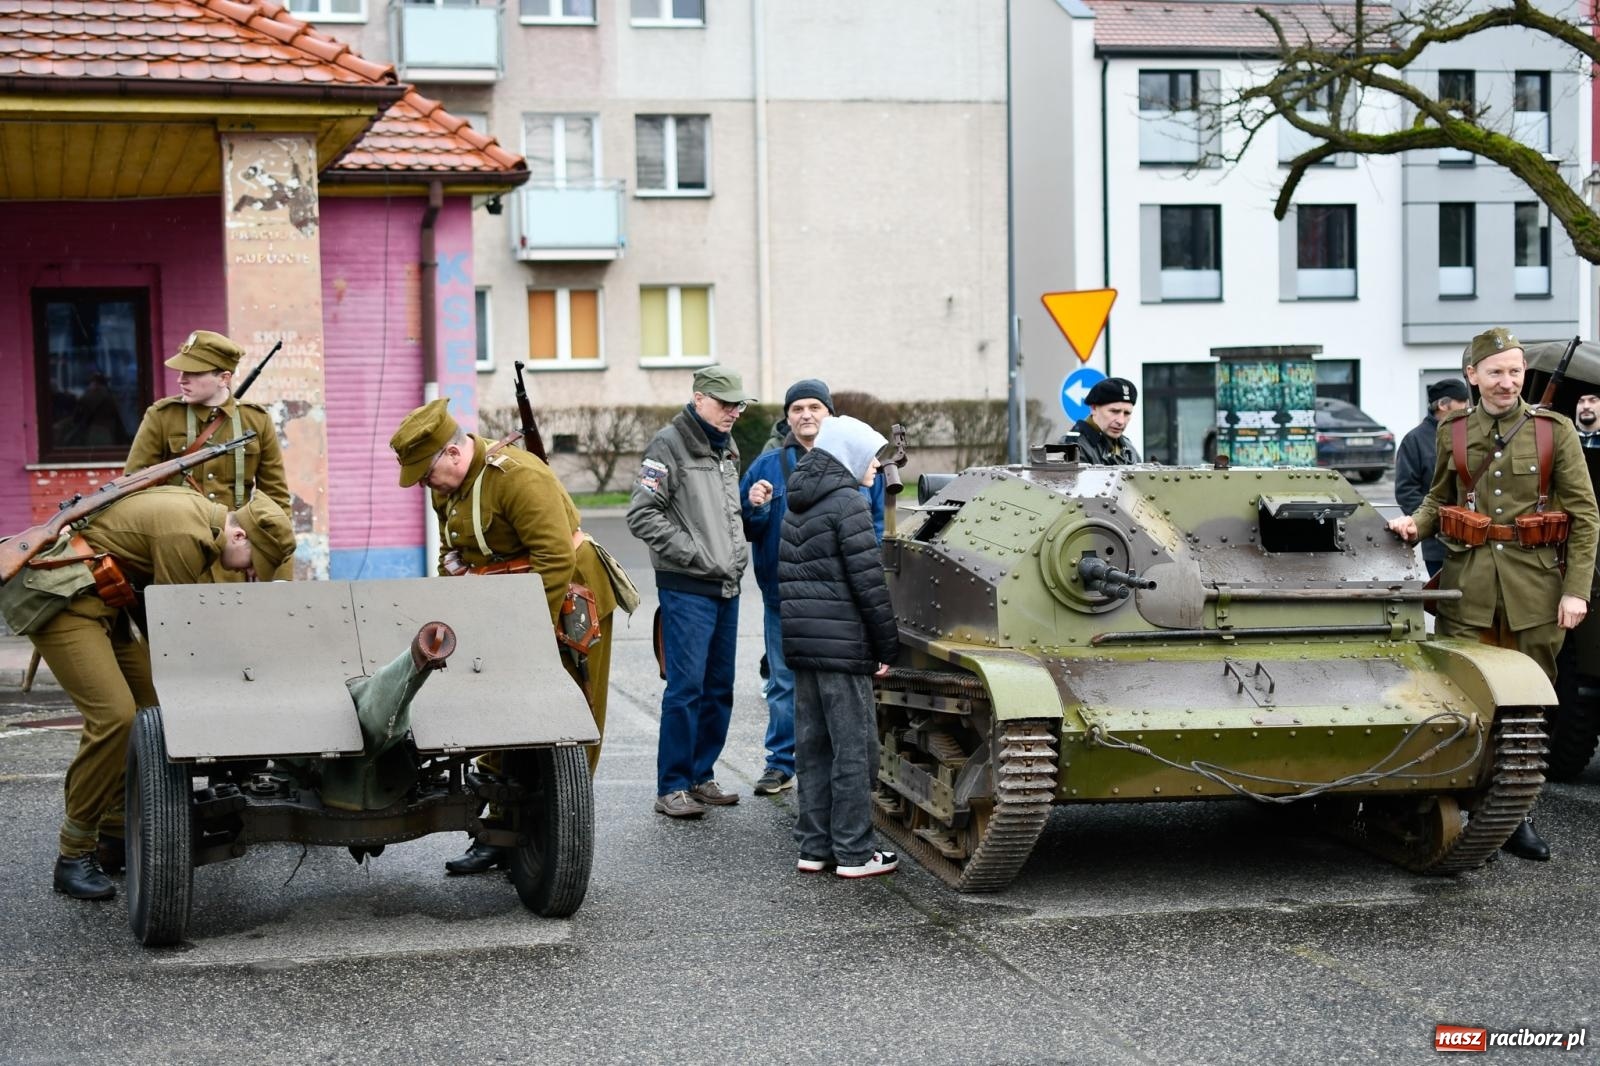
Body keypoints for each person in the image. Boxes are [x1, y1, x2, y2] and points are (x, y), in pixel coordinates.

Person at [0, 488, 296, 901]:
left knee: (153, 710)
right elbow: (172, 634)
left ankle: (116, 834)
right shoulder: (187, 536)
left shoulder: (201, 520)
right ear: (241, 537)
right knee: (116, 719)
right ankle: (73, 853)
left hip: (106, 600)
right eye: (254, 564)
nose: (251, 572)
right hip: (64, 603)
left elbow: (155, 610)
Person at [1387, 327, 1599, 862]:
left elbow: (1585, 516)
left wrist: (1575, 592)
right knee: (1472, 701)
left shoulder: (1554, 432)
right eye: (1497, 372)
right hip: (1471, 586)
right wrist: (1415, 525)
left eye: (1516, 371)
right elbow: (1440, 497)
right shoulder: (1453, 431)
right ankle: (1473, 802)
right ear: (1472, 375)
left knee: (1527, 706)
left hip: (1535, 591)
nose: (1508, 382)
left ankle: (1516, 812)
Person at [389, 398, 619, 875]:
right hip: (501, 600)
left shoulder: (518, 476)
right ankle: (500, 833)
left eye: (426, 472)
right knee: (497, 707)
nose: (424, 484)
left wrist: (523, 629)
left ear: (453, 454)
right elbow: (452, 556)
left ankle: (557, 833)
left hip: (570, 596)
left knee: (573, 715)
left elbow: (555, 559)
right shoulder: (445, 487)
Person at [741, 378, 885, 796]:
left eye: (814, 408)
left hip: (839, 600)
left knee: (840, 689)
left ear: (829, 414)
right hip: (782, 597)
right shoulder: (767, 466)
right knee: (785, 683)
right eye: (797, 409)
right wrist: (756, 507)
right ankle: (781, 764)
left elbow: (873, 527)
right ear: (787, 418)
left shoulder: (856, 460)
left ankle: (835, 770)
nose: (806, 415)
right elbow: (750, 528)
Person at [627, 365, 754, 819]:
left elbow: (722, 512)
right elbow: (642, 515)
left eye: (738, 404)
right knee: (686, 688)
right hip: (688, 588)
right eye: (725, 404)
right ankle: (673, 785)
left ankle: (701, 775)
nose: (734, 412)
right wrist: (697, 555)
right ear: (699, 398)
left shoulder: (727, 447)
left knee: (720, 687)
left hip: (727, 586)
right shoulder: (668, 444)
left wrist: (731, 556)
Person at [778, 415, 900, 878]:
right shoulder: (847, 501)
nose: (876, 466)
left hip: (806, 645)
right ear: (850, 454)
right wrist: (886, 648)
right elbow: (869, 583)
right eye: (871, 455)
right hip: (843, 647)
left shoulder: (799, 498)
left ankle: (814, 847)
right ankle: (854, 852)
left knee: (812, 749)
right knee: (855, 750)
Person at [124, 330, 290, 515]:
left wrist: (277, 540)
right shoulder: (162, 416)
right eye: (181, 371)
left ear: (223, 378)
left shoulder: (256, 420)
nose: (181, 380)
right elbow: (134, 487)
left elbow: (275, 497)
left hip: (234, 537)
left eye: (193, 373)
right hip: (176, 536)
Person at [1395, 378, 1472, 577]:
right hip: (1438, 546)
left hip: (1474, 540)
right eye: (1462, 402)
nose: (1468, 407)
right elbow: (1406, 491)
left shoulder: (1471, 434)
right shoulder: (1414, 440)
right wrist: (1435, 523)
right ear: (1443, 404)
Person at [1065, 377, 1142, 464]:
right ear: (1093, 408)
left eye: (1127, 413)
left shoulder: (1128, 446)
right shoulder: (1072, 448)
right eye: (1114, 411)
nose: (1121, 421)